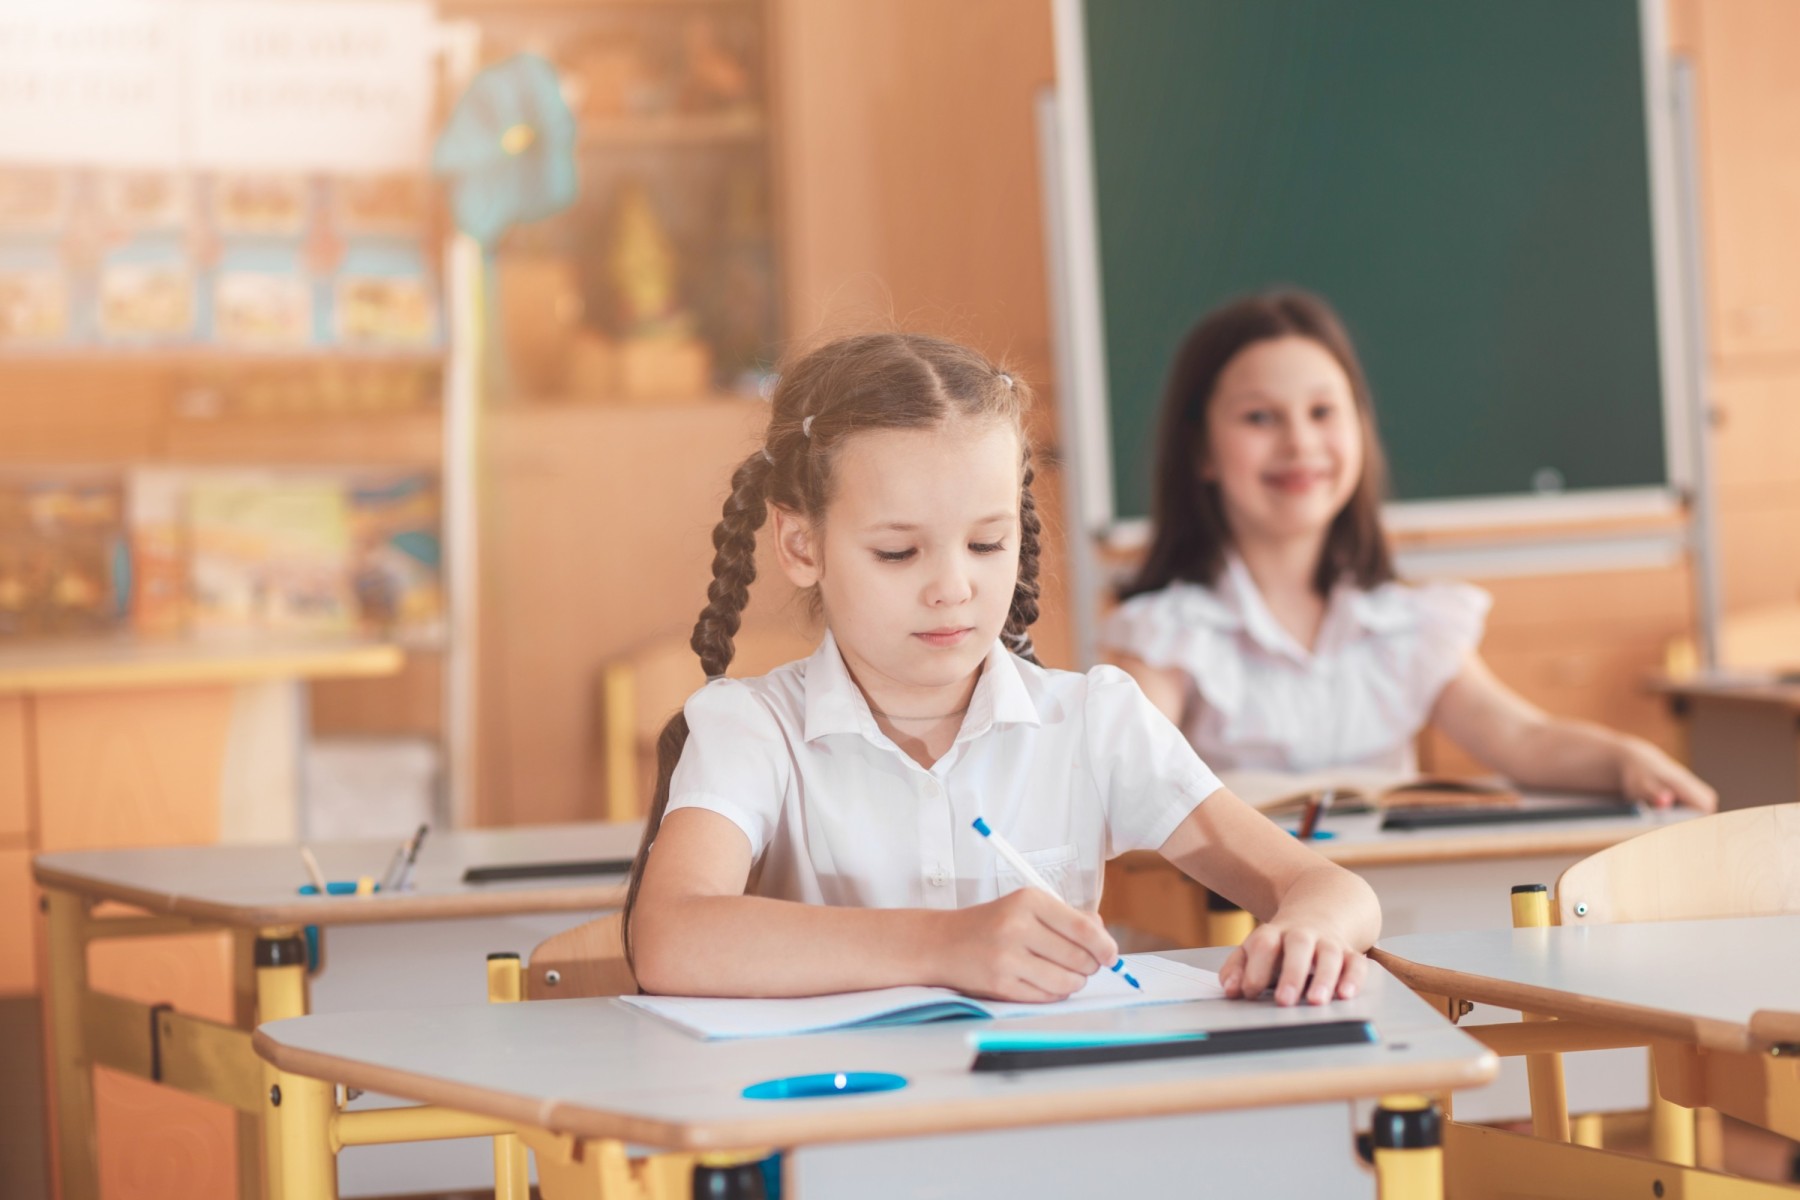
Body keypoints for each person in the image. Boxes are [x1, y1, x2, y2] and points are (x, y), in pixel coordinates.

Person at [625, 331, 1380, 1006]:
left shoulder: (1092, 723)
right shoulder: (751, 728)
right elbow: (671, 936)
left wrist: (1310, 929)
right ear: (800, 546)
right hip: (839, 1138)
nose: (952, 587)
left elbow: (1328, 888)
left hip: (1045, 1124)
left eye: (987, 545)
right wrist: (945, 945)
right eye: (898, 552)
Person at [1103, 290, 1715, 811]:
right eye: (1260, 417)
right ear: (1202, 451)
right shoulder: (1165, 634)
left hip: (1384, 928)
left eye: (1323, 412)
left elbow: (1523, 738)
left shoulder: (1408, 625)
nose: (1300, 442)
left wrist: (1626, 759)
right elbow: (1132, 775)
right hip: (1231, 932)